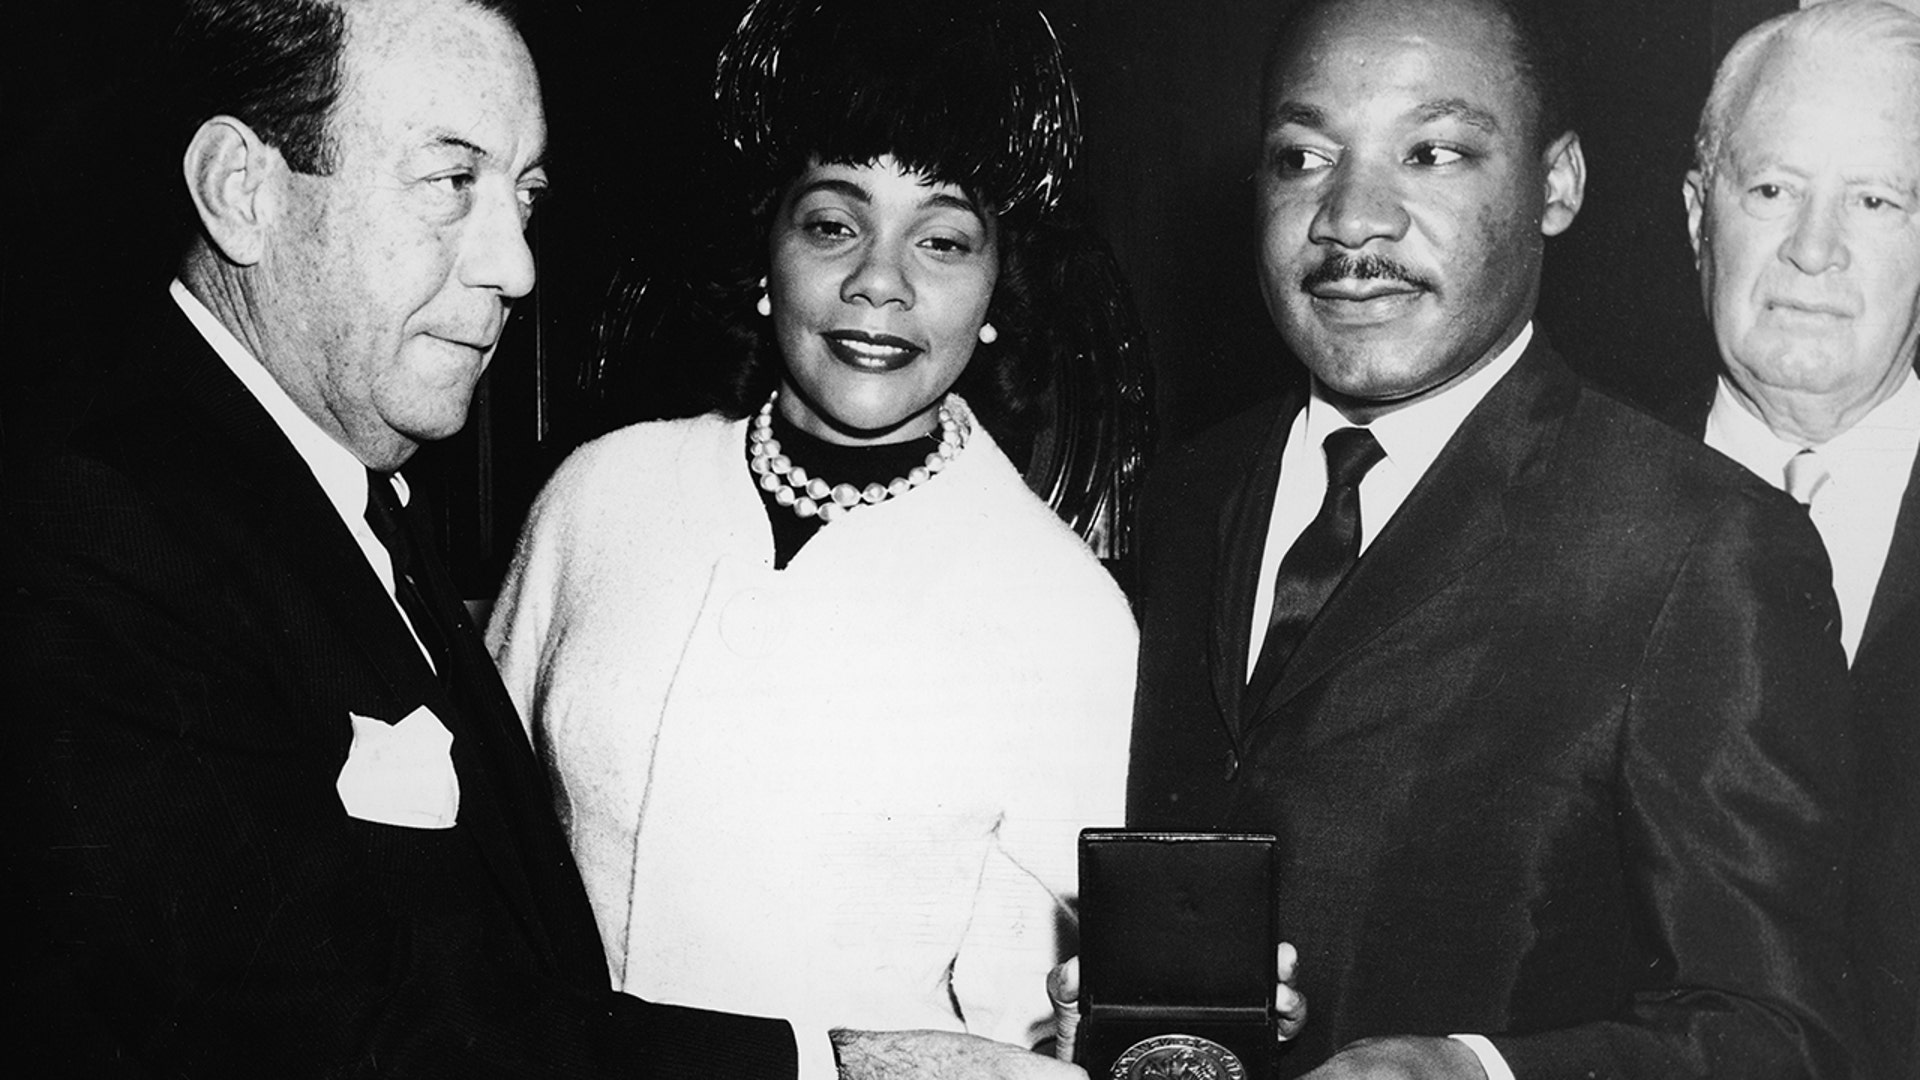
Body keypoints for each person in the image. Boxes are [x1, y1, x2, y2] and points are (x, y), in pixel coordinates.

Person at [0, 0, 802, 1075]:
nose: (515, 266)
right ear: (244, 193)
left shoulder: (349, 485)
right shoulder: (89, 531)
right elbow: (321, 1038)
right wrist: (830, 1067)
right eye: (450, 182)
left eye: (523, 197)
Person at [1124, 0, 1859, 1076]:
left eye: (1434, 152)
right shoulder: (1182, 499)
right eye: (1302, 157)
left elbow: (1782, 1036)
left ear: (1555, 185)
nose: (1351, 220)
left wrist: (1480, 1070)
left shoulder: (1701, 546)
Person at [485, 0, 1134, 1077]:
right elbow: (484, 863)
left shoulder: (1064, 615)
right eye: (834, 223)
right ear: (767, 252)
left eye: (943, 238)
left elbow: (1037, 1039)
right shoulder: (597, 498)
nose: (880, 282)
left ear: (994, 294)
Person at [1677, 2, 1920, 1073]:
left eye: (1876, 200)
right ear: (1698, 216)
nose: (1814, 251)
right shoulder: (1545, 515)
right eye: (1770, 190)